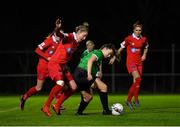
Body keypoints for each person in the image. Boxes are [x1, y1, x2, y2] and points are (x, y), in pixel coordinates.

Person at [41, 20, 89, 117]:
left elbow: (67, 55)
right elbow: (59, 34)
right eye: (83, 36)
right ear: (78, 33)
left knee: (73, 87)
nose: (84, 39)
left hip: (63, 66)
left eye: (85, 37)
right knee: (60, 83)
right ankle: (46, 106)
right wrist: (57, 28)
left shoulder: (77, 42)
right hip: (55, 63)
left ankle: (57, 105)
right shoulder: (70, 37)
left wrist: (66, 66)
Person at [20, 19, 64, 110]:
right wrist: (47, 57)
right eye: (60, 34)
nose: (62, 36)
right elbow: (37, 50)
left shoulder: (60, 43)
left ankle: (57, 103)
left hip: (52, 66)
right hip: (43, 67)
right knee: (38, 88)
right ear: (56, 34)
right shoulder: (49, 40)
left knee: (60, 82)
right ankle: (25, 96)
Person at [115, 21, 149, 111]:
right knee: (138, 79)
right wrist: (114, 57)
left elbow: (146, 47)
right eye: (136, 30)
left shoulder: (144, 39)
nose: (138, 31)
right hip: (131, 62)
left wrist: (144, 55)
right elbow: (121, 48)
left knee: (137, 82)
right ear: (133, 30)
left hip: (139, 62)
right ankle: (128, 100)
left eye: (140, 30)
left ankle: (135, 99)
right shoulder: (128, 39)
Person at [74, 43, 116, 115]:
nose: (109, 56)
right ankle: (106, 110)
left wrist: (114, 56)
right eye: (109, 53)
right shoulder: (99, 53)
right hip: (83, 73)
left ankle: (79, 113)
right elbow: (90, 61)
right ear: (105, 48)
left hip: (79, 73)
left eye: (110, 55)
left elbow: (116, 51)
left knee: (88, 97)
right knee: (102, 87)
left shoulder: (97, 52)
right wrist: (89, 74)